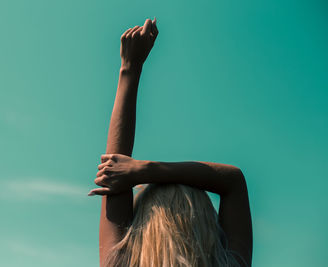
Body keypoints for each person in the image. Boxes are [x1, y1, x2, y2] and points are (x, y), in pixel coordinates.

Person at [88, 17, 253, 267]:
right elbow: (234, 180)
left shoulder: (121, 263)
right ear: (206, 222)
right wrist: (144, 170)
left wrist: (129, 68)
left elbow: (114, 168)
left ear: (143, 225)